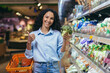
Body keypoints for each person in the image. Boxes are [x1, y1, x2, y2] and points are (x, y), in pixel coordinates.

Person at [25, 8, 70, 73]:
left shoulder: (57, 34)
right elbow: (28, 56)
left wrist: (64, 41)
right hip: (38, 68)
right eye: (46, 17)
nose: (48, 20)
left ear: (54, 21)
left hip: (53, 68)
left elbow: (60, 55)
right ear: (42, 18)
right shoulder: (33, 35)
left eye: (51, 18)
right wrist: (29, 42)